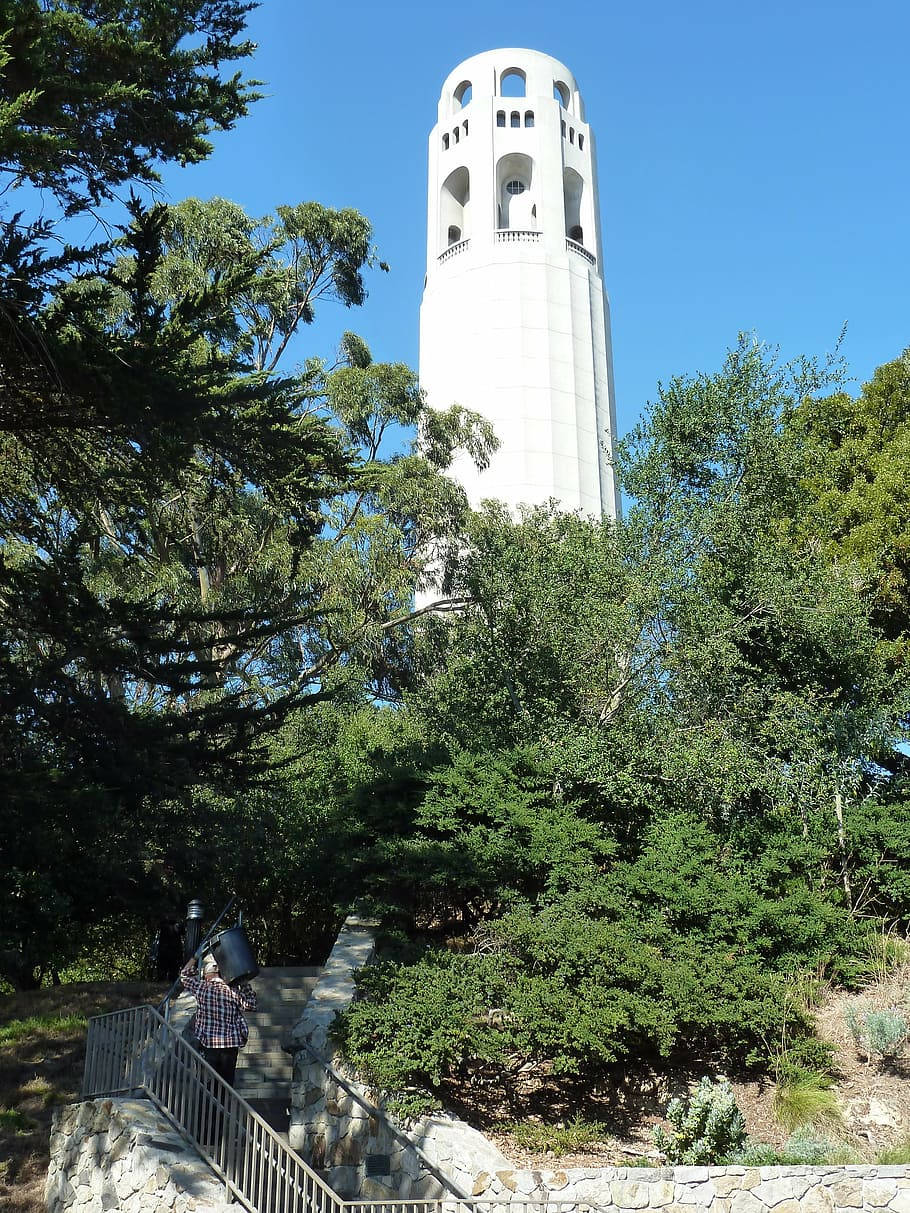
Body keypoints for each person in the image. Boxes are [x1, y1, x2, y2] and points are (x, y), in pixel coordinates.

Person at [179, 954, 257, 1087]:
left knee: (207, 1085)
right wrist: (243, 982)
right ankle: (223, 1107)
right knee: (226, 1085)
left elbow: (184, 975)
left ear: (207, 975)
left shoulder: (202, 988)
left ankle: (207, 1107)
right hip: (230, 1046)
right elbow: (251, 1005)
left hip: (209, 1045)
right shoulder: (232, 992)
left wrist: (195, 957)